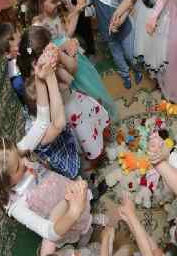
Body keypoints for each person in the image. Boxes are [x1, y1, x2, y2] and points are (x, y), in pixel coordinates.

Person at [17, 27, 110, 162]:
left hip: (73, 103)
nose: (53, 47)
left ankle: (97, 148)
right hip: (64, 112)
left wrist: (60, 55)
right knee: (82, 137)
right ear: (35, 61)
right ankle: (93, 156)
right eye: (49, 47)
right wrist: (54, 73)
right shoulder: (36, 83)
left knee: (91, 127)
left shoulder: (49, 62)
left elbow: (72, 72)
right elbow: (68, 82)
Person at [0, 138, 95, 245]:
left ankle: (88, 221)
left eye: (19, 154)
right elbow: (49, 232)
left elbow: (41, 127)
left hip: (62, 189)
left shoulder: (14, 156)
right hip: (62, 217)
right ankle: (85, 233)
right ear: (6, 183)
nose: (24, 160)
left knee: (84, 212)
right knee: (78, 226)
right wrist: (73, 213)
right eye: (18, 167)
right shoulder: (17, 207)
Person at [86, 0, 142, 90]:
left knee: (130, 54)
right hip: (108, 32)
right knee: (117, 56)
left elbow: (126, 6)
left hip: (124, 28)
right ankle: (125, 74)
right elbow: (86, 2)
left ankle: (136, 69)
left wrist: (118, 23)